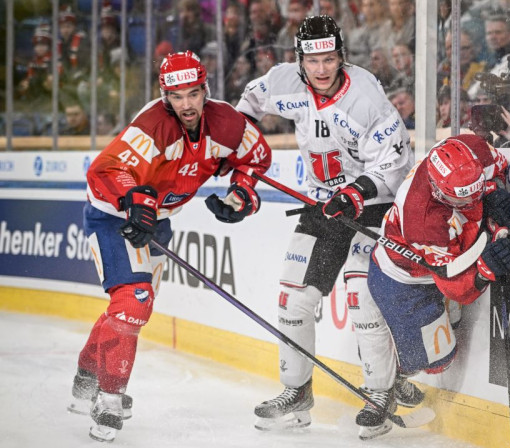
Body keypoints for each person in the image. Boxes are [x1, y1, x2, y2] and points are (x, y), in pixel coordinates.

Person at [67, 51, 272, 443]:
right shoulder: (152, 127)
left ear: (205, 89)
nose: (187, 104)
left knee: (132, 306)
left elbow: (255, 156)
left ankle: (86, 377)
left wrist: (241, 194)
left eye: (194, 93)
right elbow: (103, 171)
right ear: (164, 96)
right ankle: (109, 401)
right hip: (112, 215)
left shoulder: (226, 122)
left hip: (158, 220)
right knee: (134, 300)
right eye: (177, 96)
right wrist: (133, 200)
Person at [234, 15, 419, 439]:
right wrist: (239, 151)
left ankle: (381, 391)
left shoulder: (366, 95)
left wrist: (355, 193)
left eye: (330, 59)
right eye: (313, 60)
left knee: (361, 296)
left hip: (371, 206)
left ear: (342, 56)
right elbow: (247, 107)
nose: (321, 69)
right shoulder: (285, 81)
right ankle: (296, 393)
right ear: (300, 59)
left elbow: (395, 161)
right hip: (321, 204)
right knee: (293, 297)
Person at [367, 134, 510, 435]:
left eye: (476, 189)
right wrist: (487, 269)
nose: (473, 199)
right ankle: (394, 375)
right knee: (438, 361)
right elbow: (454, 285)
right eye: (463, 198)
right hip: (404, 277)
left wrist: (493, 197)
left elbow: (496, 173)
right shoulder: (421, 218)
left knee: (444, 348)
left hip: (444, 255)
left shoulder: (472, 149)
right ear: (438, 191)